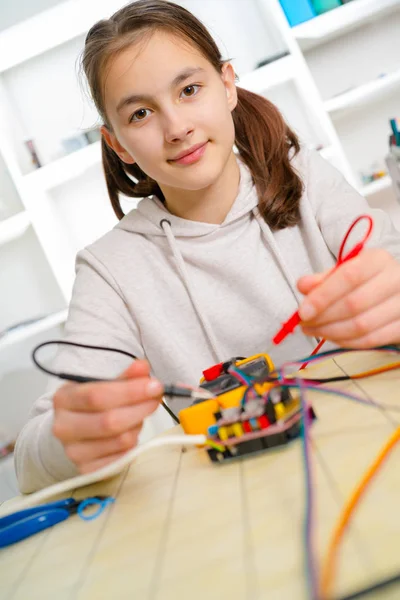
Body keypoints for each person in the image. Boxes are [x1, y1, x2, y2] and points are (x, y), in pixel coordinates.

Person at [15, 0, 400, 493]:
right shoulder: (111, 269)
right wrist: (65, 441)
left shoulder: (305, 177)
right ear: (118, 146)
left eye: (190, 89)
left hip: (373, 448)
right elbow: (29, 461)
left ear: (229, 84)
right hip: (245, 498)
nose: (177, 128)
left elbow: (386, 262)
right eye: (140, 113)